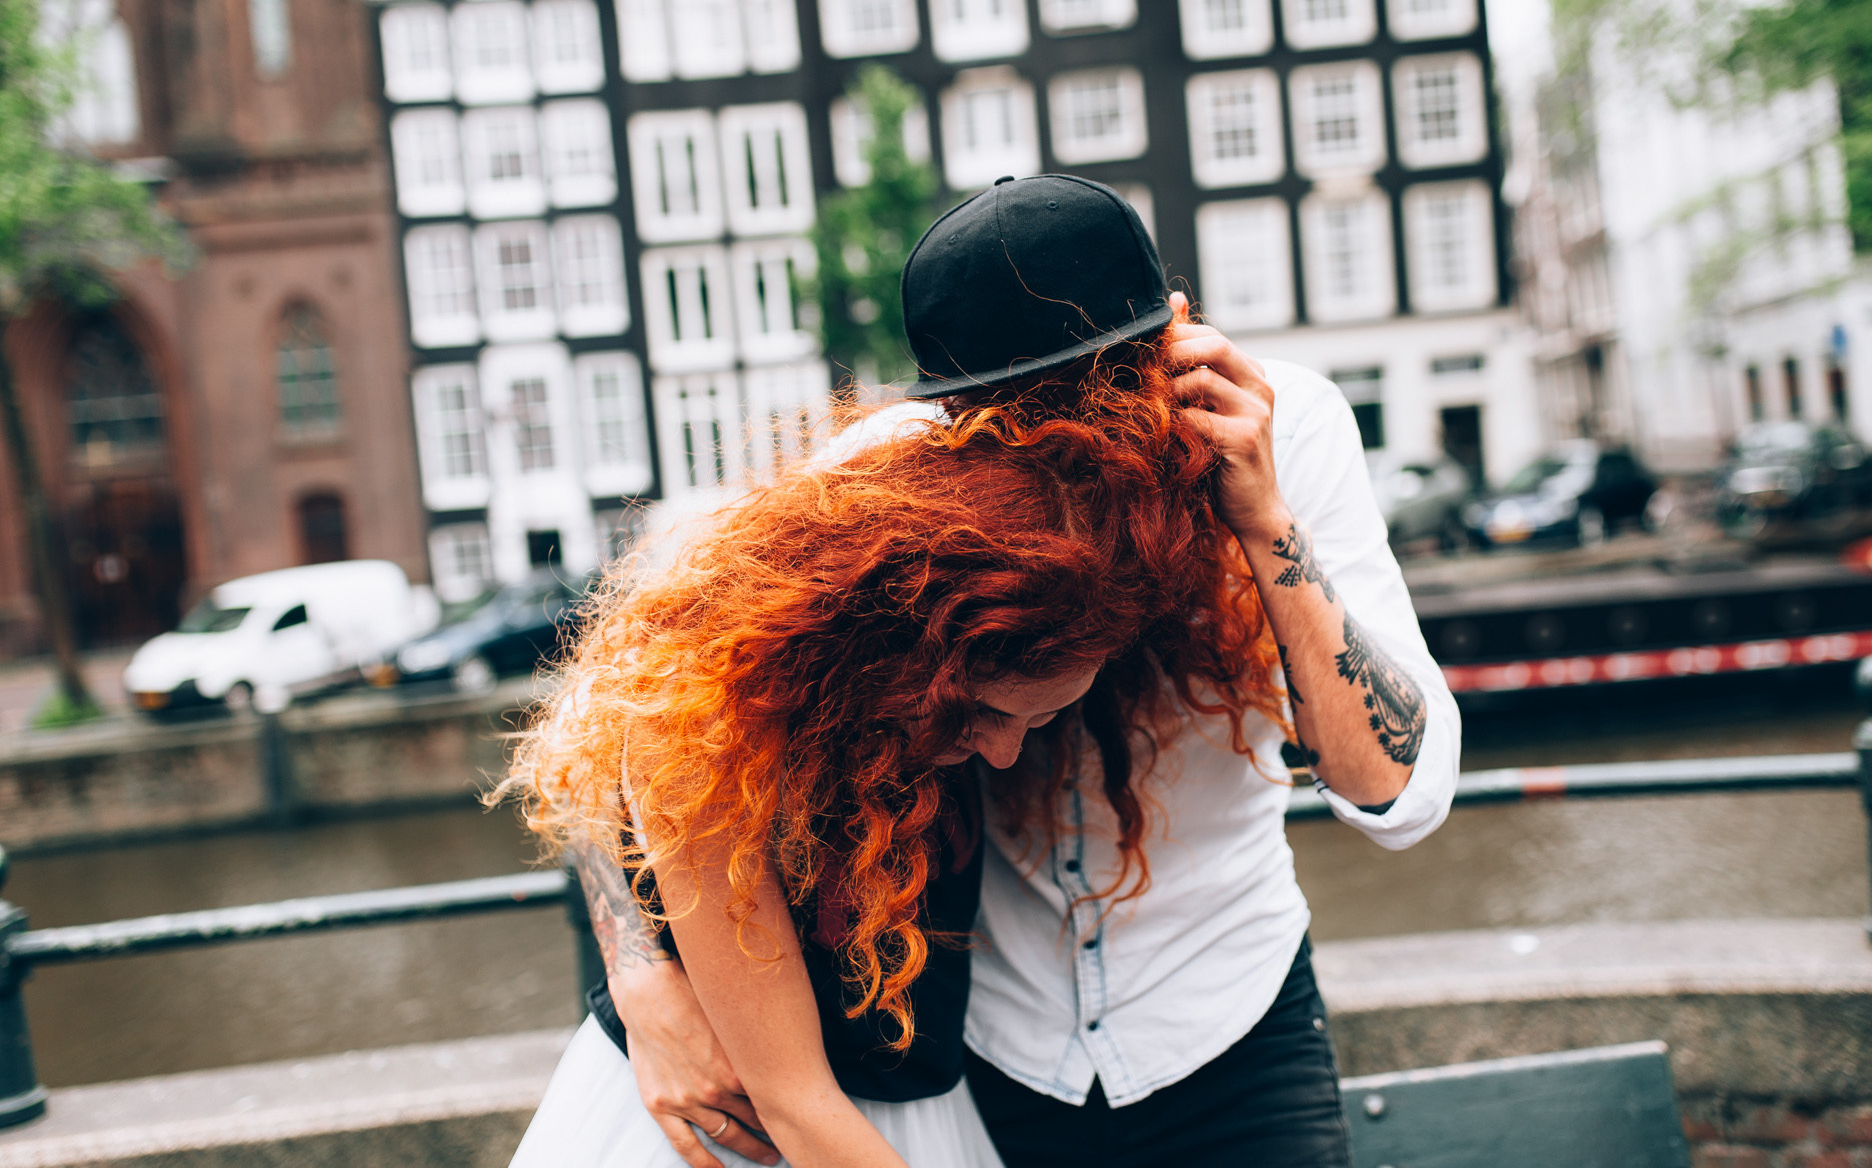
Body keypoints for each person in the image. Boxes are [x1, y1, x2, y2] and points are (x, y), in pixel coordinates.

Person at [577, 175, 1462, 1168]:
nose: (1057, 453)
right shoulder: (902, 488)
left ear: (1171, 341)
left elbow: (1399, 795)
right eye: (1009, 425)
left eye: (1090, 408)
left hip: (1230, 1014)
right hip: (998, 1050)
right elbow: (652, 706)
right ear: (950, 413)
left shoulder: (1288, 431)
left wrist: (1263, 522)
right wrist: (636, 973)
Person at [506, 300, 1291, 1168]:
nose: (1005, 753)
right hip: (739, 1135)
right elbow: (599, 742)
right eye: (985, 714)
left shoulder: (977, 655)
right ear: (902, 645)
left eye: (1041, 720)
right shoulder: (717, 734)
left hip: (918, 1116)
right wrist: (635, 973)